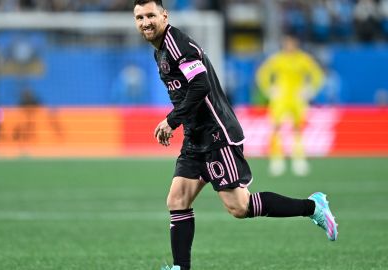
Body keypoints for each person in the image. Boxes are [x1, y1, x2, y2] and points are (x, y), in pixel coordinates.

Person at [132, 1, 338, 269]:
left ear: (164, 15)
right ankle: (180, 267)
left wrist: (172, 121)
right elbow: (184, 92)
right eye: (139, 17)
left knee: (240, 207)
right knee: (177, 199)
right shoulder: (159, 51)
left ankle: (313, 207)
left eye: (150, 15)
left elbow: (200, 85)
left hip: (217, 135)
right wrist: (181, 123)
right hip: (196, 138)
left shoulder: (176, 45)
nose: (145, 22)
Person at [256, 32, 325, 177]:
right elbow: (262, 74)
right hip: (280, 99)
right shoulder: (278, 59)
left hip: (297, 99)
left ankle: (298, 159)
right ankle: (277, 160)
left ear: (296, 44)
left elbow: (317, 75)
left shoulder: (303, 59)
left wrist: (310, 90)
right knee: (276, 128)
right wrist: (269, 89)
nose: (289, 46)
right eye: (287, 43)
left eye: (291, 43)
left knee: (298, 129)